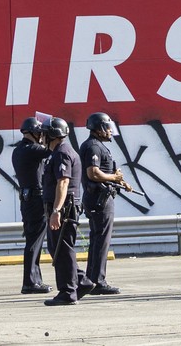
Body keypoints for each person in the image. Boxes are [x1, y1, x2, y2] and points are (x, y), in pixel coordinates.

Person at [79, 112, 132, 295]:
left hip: (99, 198)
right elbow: (93, 173)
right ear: (99, 128)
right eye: (108, 127)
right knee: (101, 240)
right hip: (99, 199)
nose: (110, 131)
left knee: (97, 239)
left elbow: (102, 173)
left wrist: (119, 182)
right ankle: (98, 281)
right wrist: (114, 177)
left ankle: (91, 279)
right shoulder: (94, 146)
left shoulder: (96, 146)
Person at [42, 117, 93, 306]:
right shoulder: (59, 152)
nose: (42, 137)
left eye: (45, 134)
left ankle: (68, 292)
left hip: (63, 208)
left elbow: (63, 182)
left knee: (62, 249)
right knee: (60, 248)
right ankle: (81, 281)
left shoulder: (62, 153)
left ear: (52, 135)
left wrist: (56, 210)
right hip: (63, 207)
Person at [13, 116, 53, 294]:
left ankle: (34, 279)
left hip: (28, 199)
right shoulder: (32, 149)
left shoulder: (20, 149)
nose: (41, 136)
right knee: (35, 240)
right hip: (35, 199)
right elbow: (51, 150)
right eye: (39, 133)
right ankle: (30, 281)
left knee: (33, 239)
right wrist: (47, 138)